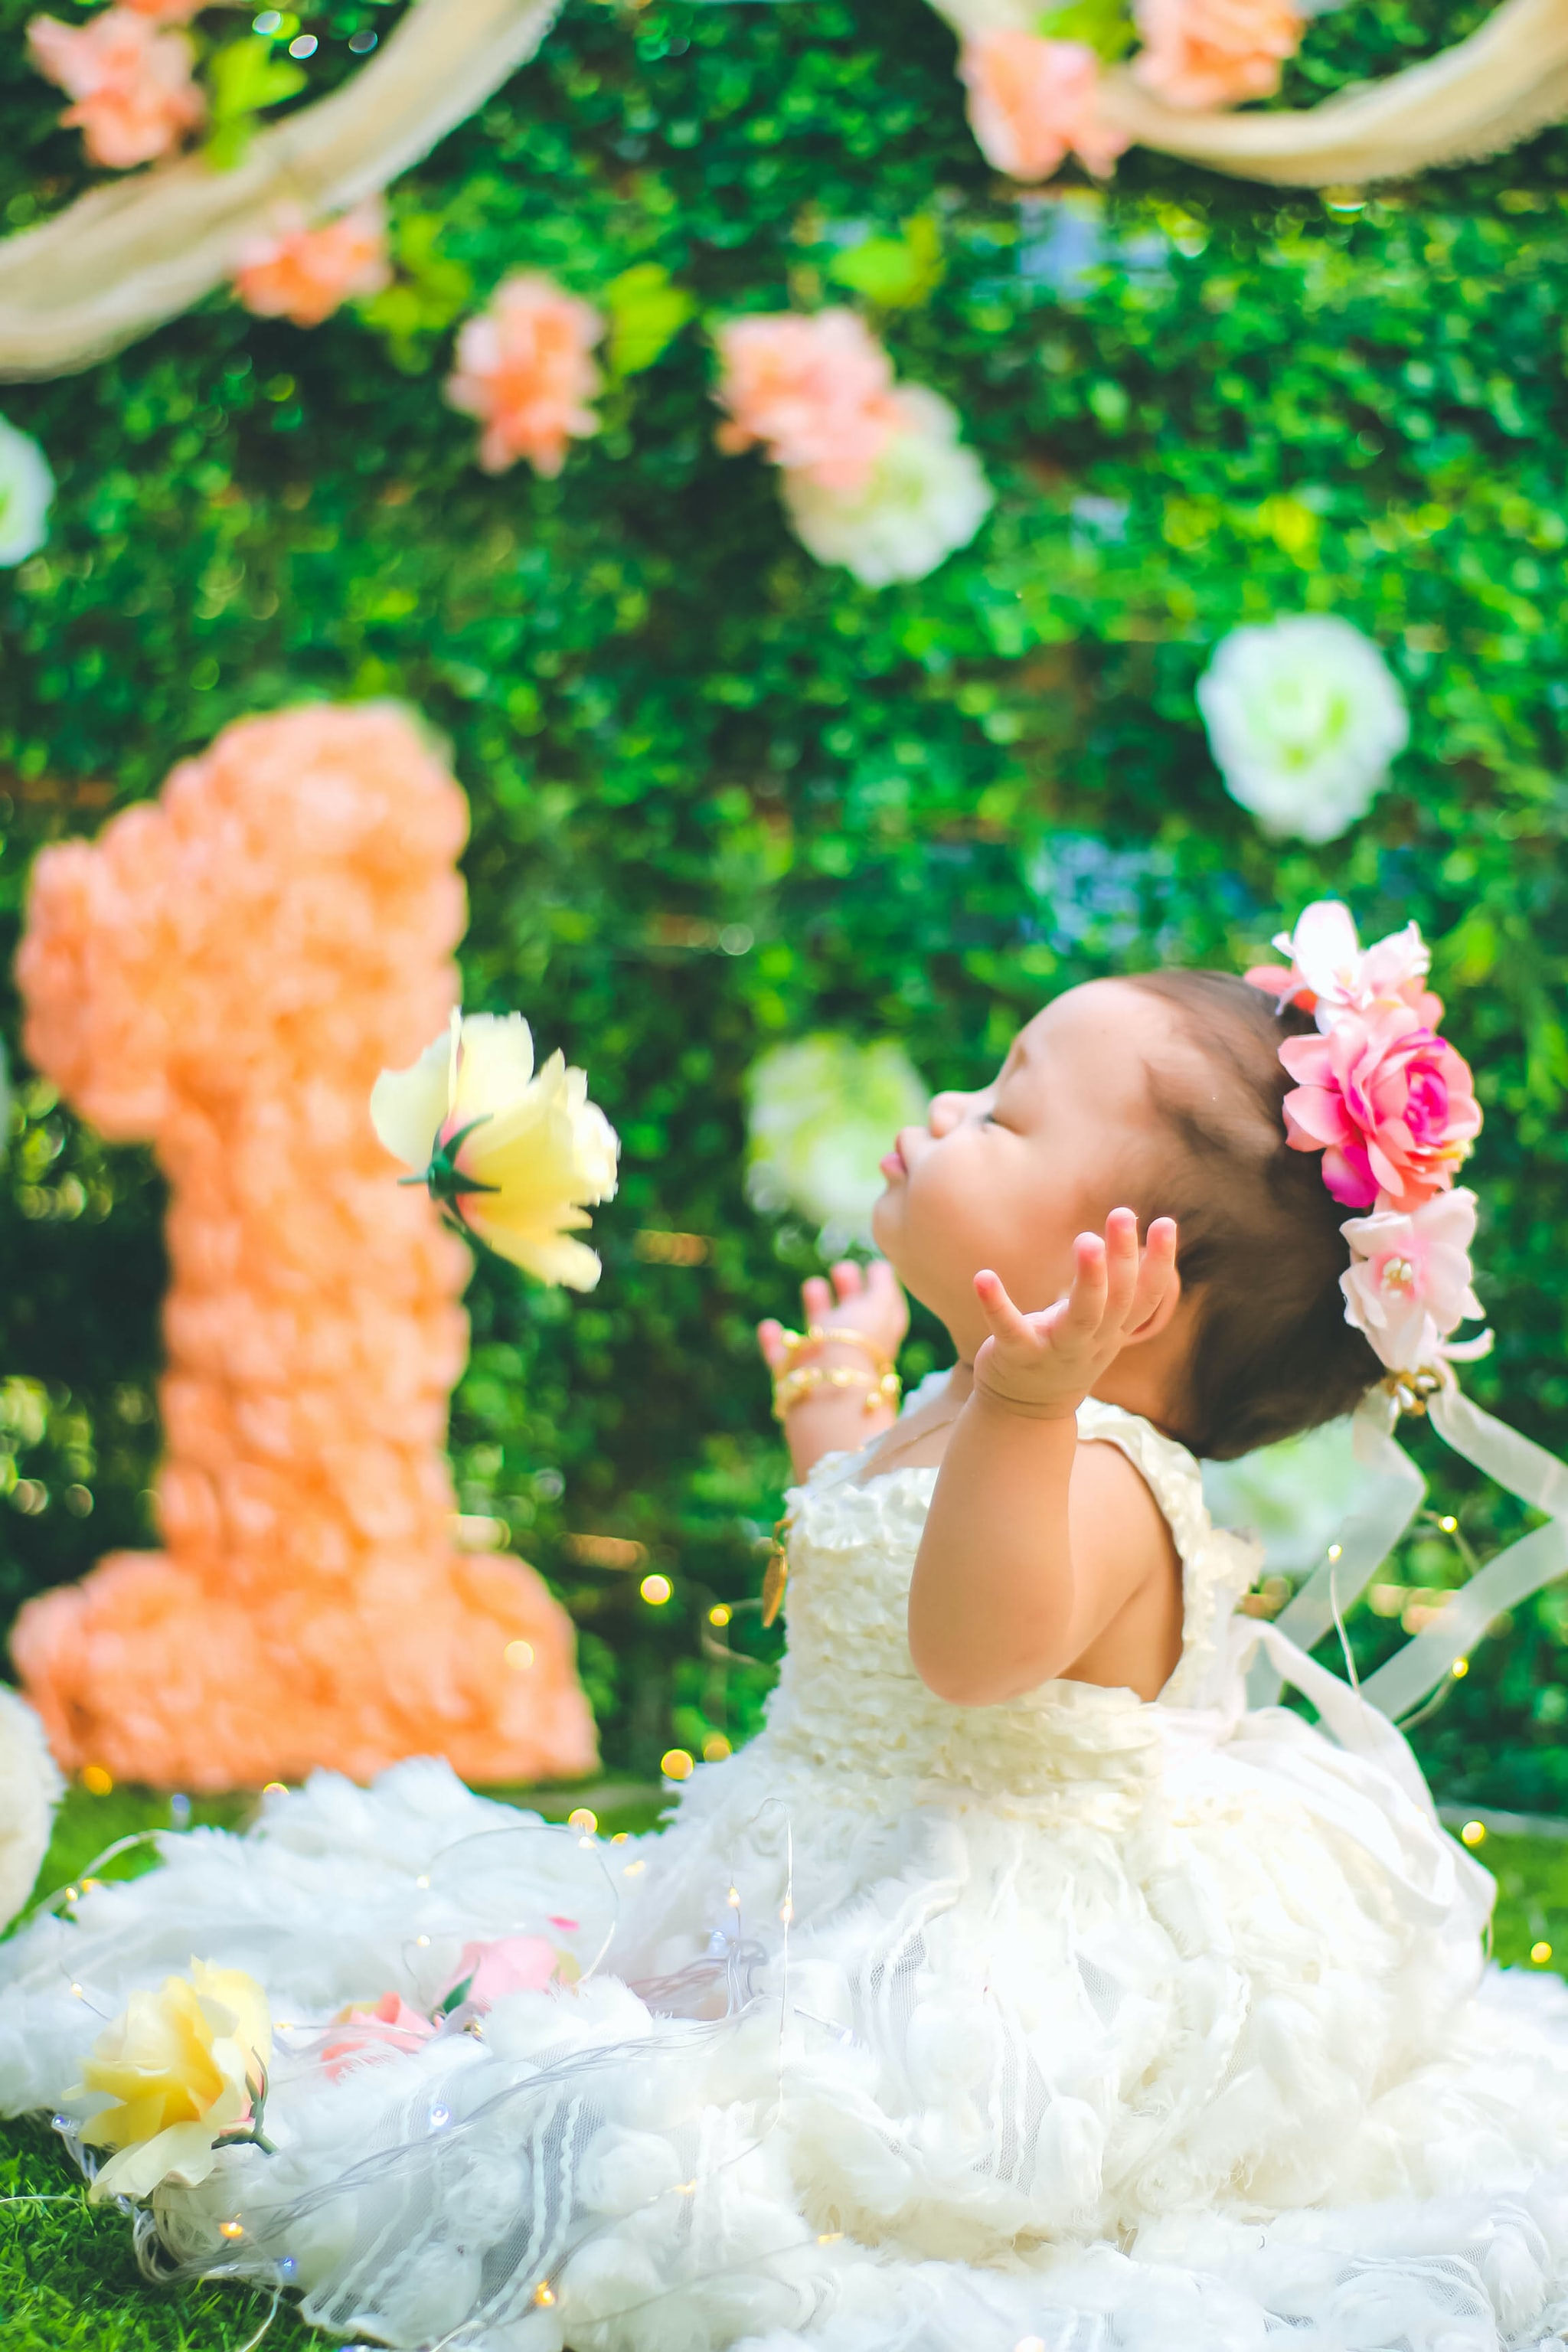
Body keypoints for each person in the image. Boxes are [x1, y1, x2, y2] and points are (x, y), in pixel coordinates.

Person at [5, 902, 1568, 2352]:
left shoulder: (1095, 1478)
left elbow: (965, 1647)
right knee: (629, 2022)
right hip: (824, 1844)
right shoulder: (982, 1415)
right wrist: (841, 1421)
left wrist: (1020, 1412)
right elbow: (861, 1566)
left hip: (978, 1919)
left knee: (750, 2142)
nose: (947, 1114)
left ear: (1129, 1291)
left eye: (1005, 1115)